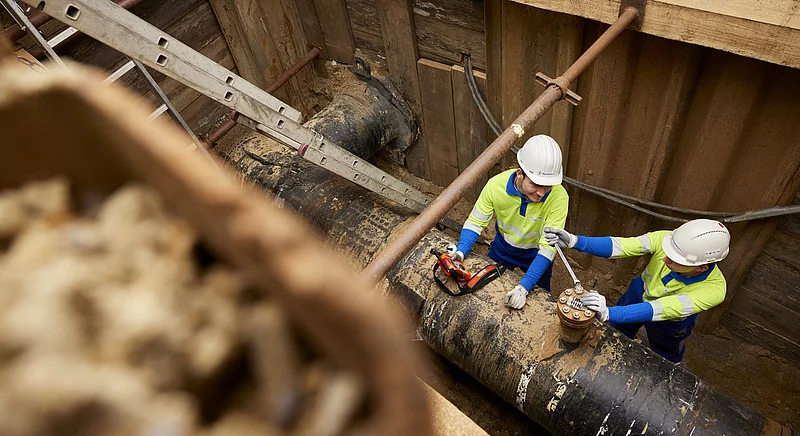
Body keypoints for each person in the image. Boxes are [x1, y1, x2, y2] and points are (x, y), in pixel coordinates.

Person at [544, 219, 730, 363]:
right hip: (637, 294)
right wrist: (574, 241)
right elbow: (622, 246)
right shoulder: (667, 239)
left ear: (701, 268)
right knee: (618, 330)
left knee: (666, 352)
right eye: (667, 252)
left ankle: (669, 373)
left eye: (674, 260)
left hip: (669, 322)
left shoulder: (713, 290)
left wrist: (609, 312)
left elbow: (661, 308)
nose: (664, 259)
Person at [447, 134, 569, 309]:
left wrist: (523, 288)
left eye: (547, 186)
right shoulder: (495, 186)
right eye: (536, 184)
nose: (541, 193)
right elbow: (475, 222)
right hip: (502, 249)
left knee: (541, 303)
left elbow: (548, 248)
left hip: (536, 256)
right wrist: (460, 253)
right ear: (520, 174)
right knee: (486, 294)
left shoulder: (559, 197)